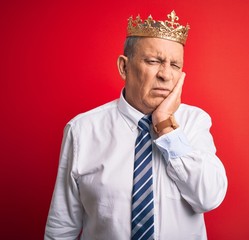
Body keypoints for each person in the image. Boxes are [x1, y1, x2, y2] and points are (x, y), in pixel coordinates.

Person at [45, 10, 227, 240]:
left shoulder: (195, 122)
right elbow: (62, 224)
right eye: (154, 61)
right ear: (124, 67)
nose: (166, 75)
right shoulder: (82, 130)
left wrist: (166, 127)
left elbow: (209, 197)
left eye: (175, 65)